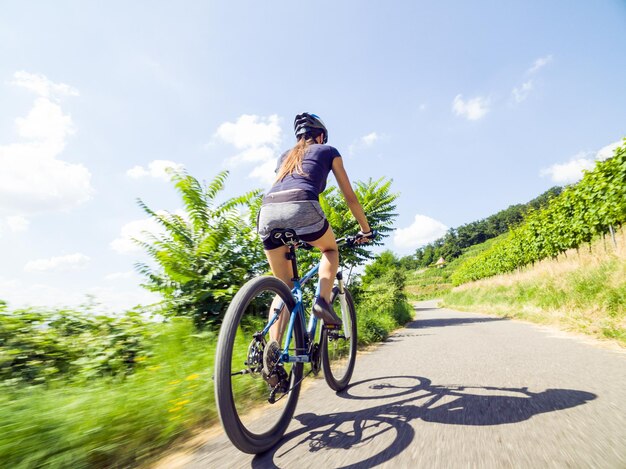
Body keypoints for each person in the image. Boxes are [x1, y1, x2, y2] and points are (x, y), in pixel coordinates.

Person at [257, 112, 374, 343]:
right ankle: (322, 302)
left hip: (267, 212)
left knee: (284, 287)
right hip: (302, 205)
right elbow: (350, 197)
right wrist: (366, 230)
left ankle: (272, 354)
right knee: (329, 250)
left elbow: (282, 187)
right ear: (321, 136)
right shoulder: (328, 151)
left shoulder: (285, 156)